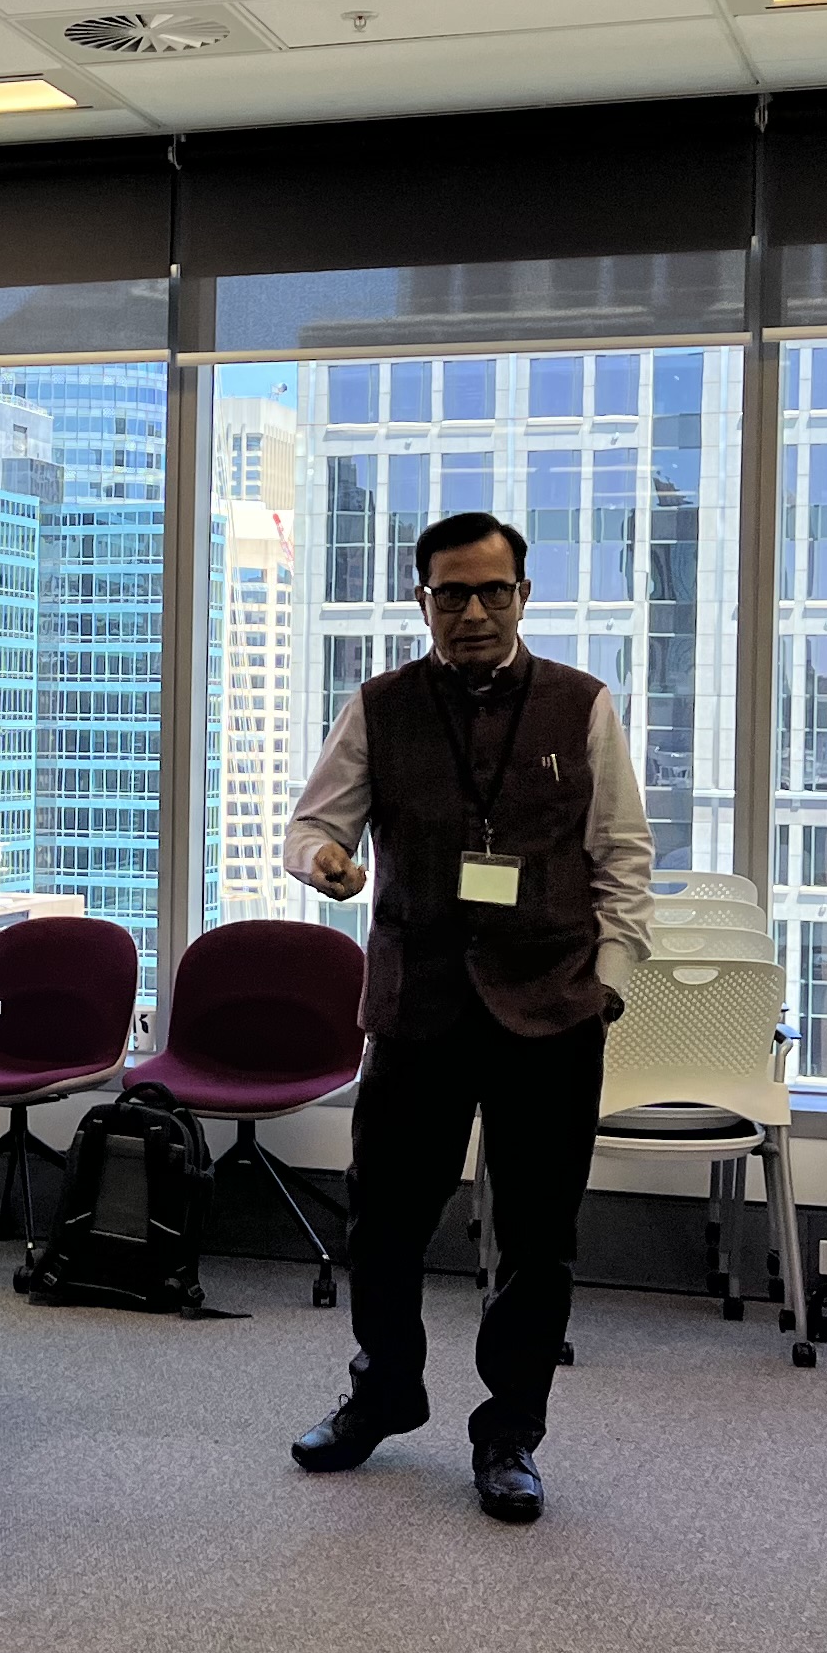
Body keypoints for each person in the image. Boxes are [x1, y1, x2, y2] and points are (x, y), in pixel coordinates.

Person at [283, 510, 653, 1524]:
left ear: (524, 597)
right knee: (385, 1220)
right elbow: (314, 822)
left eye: (495, 591)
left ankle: (510, 1434)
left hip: (553, 1007)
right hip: (419, 1005)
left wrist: (609, 980)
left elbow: (623, 855)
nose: (475, 611)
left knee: (536, 1238)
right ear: (423, 602)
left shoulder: (582, 703)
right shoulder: (382, 705)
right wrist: (324, 861)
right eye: (453, 594)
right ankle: (383, 1394)